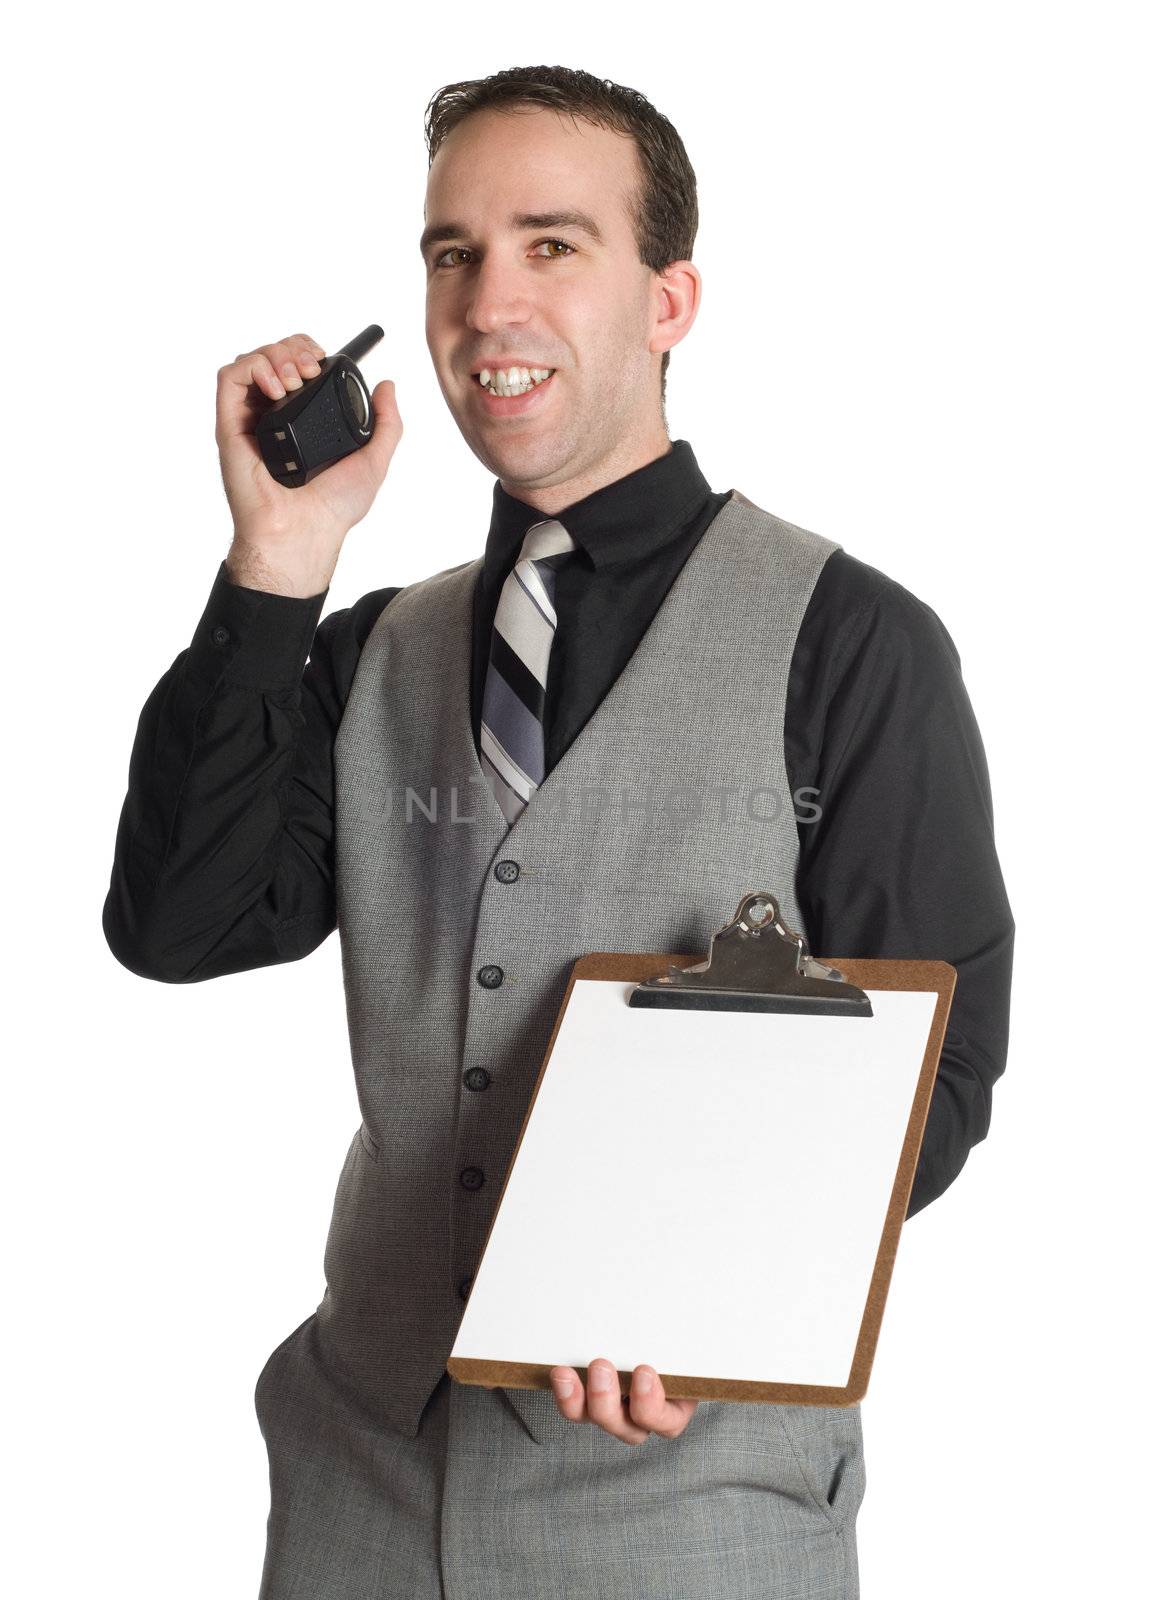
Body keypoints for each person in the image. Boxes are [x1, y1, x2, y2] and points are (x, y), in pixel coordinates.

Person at [103, 63, 1014, 1600]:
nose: (485, 303)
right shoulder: (370, 644)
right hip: (355, 1500)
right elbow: (181, 927)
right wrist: (274, 570)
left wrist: (700, 1290)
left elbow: (936, 1077)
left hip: (686, 1517)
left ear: (671, 301)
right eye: (451, 253)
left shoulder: (852, 642)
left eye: (551, 244)